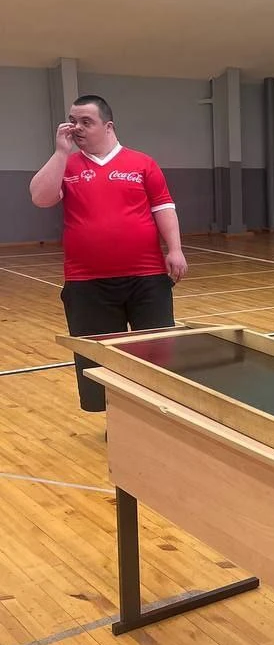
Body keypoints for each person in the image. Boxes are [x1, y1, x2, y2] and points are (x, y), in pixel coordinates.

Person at [29, 95, 188, 412]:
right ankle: (118, 423)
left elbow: (163, 207)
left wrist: (175, 249)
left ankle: (158, 418)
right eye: (73, 121)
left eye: (86, 122)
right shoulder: (67, 165)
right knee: (97, 360)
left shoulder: (142, 163)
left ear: (108, 126)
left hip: (147, 279)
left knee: (157, 354)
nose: (77, 128)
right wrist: (60, 152)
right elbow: (41, 198)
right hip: (87, 283)